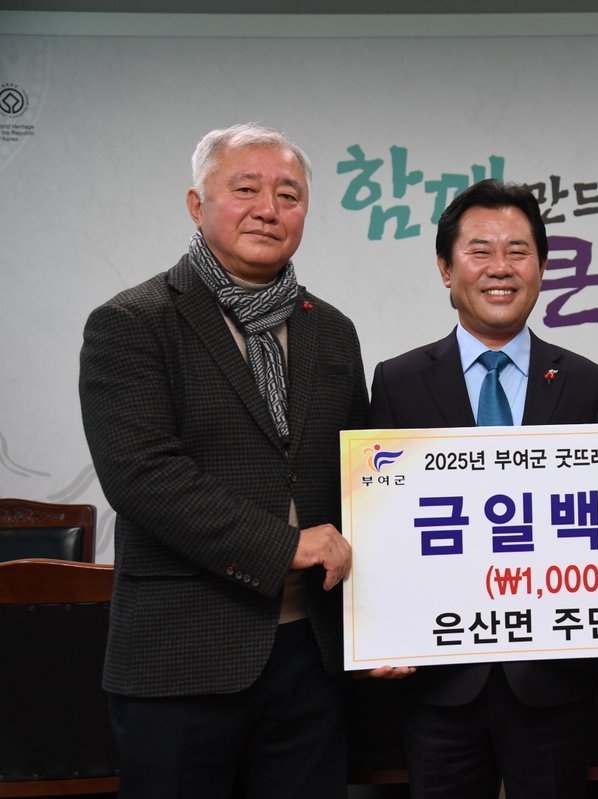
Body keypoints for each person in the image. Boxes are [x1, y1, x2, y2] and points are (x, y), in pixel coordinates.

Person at [78, 123, 367, 798]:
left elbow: (363, 475)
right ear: (196, 204)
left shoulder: (332, 329)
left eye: (288, 195)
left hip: (313, 654)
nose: (268, 209)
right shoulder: (134, 322)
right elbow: (142, 475)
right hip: (183, 655)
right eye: (245, 189)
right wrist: (287, 545)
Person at [367, 178, 598, 799]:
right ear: (445, 269)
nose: (499, 268)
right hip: (437, 676)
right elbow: (381, 523)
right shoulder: (397, 382)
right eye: (479, 251)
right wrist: (378, 628)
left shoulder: (587, 383)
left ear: (542, 268)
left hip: (554, 679)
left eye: (518, 251)